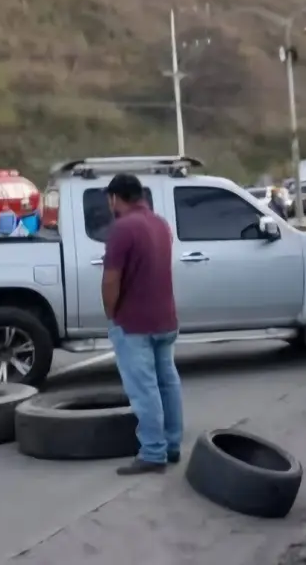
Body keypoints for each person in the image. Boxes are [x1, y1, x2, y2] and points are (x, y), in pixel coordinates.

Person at [102, 173, 183, 475]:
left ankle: (152, 452)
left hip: (134, 323)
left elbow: (111, 279)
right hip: (165, 318)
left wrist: (112, 315)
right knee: (168, 382)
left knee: (144, 388)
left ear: (114, 198)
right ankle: (172, 445)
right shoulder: (160, 224)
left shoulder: (122, 229)